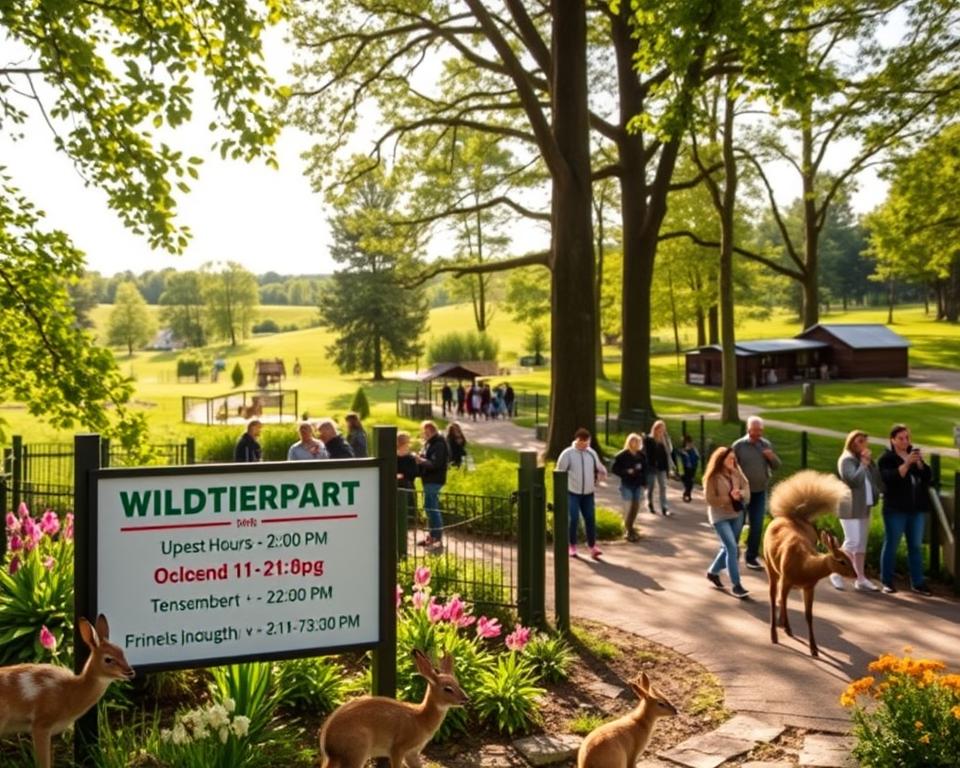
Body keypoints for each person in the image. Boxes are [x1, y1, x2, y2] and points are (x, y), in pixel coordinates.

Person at [877, 424, 933, 596]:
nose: (905, 441)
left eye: (907, 437)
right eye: (901, 438)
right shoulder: (886, 459)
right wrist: (907, 463)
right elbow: (892, 478)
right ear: (893, 440)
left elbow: (927, 477)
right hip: (895, 510)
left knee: (915, 546)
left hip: (916, 509)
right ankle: (887, 581)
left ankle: (918, 582)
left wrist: (921, 464)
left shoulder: (913, 457)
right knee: (892, 544)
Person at [832, 430, 883, 591]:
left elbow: (875, 478)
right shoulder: (846, 460)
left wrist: (868, 462)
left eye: (865, 441)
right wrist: (863, 464)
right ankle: (835, 571)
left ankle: (860, 578)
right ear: (852, 442)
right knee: (852, 540)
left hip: (864, 506)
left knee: (861, 545)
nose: (864, 444)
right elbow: (853, 480)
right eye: (860, 441)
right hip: (850, 507)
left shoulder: (862, 459)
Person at [732, 416, 781, 569]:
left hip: (760, 492)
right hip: (743, 493)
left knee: (757, 525)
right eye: (755, 430)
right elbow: (730, 468)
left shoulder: (766, 445)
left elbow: (776, 466)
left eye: (760, 430)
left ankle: (751, 557)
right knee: (737, 525)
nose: (758, 434)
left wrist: (771, 457)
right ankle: (731, 554)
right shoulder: (739, 446)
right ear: (748, 429)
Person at [703, 446, 751, 599]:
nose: (732, 461)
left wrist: (740, 494)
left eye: (733, 458)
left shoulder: (737, 472)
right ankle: (736, 585)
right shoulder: (712, 477)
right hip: (719, 517)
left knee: (727, 548)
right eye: (729, 458)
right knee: (732, 548)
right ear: (721, 460)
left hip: (736, 514)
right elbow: (710, 499)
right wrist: (729, 498)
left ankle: (712, 572)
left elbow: (747, 489)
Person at [556, 427, 608, 559]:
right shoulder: (567, 454)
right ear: (576, 440)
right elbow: (559, 472)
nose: (584, 444)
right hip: (572, 492)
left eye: (587, 442)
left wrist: (603, 472)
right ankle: (572, 546)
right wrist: (560, 490)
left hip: (588, 493)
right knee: (573, 518)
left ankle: (592, 546)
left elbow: (599, 466)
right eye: (582, 441)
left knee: (590, 519)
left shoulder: (591, 453)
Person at [416, 421, 449, 550]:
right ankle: (432, 536)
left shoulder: (439, 444)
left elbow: (435, 464)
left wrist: (420, 460)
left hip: (434, 480)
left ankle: (437, 538)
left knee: (433, 508)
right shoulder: (431, 443)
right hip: (429, 479)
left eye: (425, 432)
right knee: (429, 507)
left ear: (430, 430)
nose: (424, 434)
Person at [611, 433, 647, 542]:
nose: (635, 444)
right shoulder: (622, 455)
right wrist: (626, 472)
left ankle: (631, 527)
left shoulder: (641, 456)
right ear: (629, 442)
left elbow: (645, 470)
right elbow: (614, 469)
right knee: (628, 506)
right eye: (632, 441)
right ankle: (627, 528)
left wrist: (645, 483)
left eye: (637, 442)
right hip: (627, 484)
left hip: (638, 484)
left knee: (636, 506)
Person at [644, 420, 676, 516]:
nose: (661, 431)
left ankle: (664, 507)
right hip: (651, 466)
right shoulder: (648, 439)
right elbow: (647, 453)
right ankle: (650, 503)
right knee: (651, 486)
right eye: (659, 429)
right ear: (655, 429)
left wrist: (665, 440)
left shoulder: (664, 439)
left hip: (662, 466)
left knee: (663, 487)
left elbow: (669, 451)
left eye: (663, 429)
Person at [679, 435, 699, 503]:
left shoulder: (693, 450)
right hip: (685, 468)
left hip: (692, 468)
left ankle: (687, 494)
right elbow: (681, 460)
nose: (689, 444)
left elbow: (696, 458)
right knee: (687, 481)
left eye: (690, 443)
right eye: (687, 443)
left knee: (690, 481)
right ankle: (687, 494)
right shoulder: (683, 451)